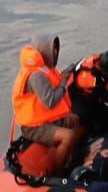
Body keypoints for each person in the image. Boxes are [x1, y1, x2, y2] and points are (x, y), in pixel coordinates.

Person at [11, 33, 85, 178]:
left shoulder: (44, 69)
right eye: (53, 48)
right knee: (68, 136)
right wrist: (64, 83)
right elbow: (50, 101)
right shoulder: (36, 75)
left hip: (44, 120)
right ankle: (59, 173)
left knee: (75, 120)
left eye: (57, 48)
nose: (56, 52)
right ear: (43, 49)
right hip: (34, 127)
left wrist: (65, 75)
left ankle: (69, 159)